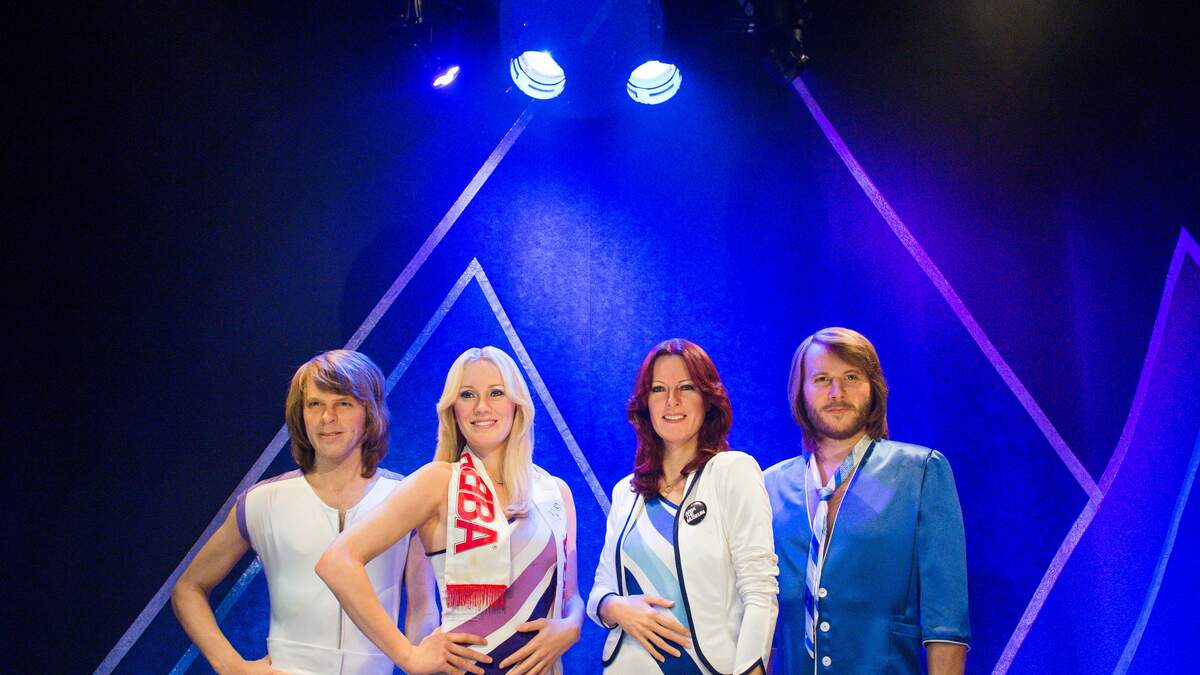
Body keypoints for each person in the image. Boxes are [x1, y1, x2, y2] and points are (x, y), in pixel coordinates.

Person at [318, 346, 582, 675]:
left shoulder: (555, 492)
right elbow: (337, 561)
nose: (481, 407)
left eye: (496, 392)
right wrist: (409, 656)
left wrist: (572, 625)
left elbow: (570, 596)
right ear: (452, 409)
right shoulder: (438, 482)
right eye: (467, 394)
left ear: (517, 403)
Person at [171, 349, 439, 674]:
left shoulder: (406, 498)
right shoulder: (263, 501)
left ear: (369, 413)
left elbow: (422, 607)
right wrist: (231, 666)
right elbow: (188, 588)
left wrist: (422, 665)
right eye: (314, 404)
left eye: (343, 403)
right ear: (300, 414)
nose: (327, 417)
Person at [763, 327, 970, 674]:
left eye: (851, 377)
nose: (837, 392)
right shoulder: (768, 486)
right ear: (800, 391)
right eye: (821, 379)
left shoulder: (919, 472)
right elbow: (759, 622)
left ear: (873, 387)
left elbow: (946, 621)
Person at [588, 338, 779, 675]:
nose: (671, 401)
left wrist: (751, 669)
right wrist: (616, 608)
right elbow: (600, 590)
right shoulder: (626, 492)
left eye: (686, 387)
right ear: (645, 404)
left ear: (708, 399)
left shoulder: (732, 471)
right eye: (658, 389)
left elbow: (760, 589)